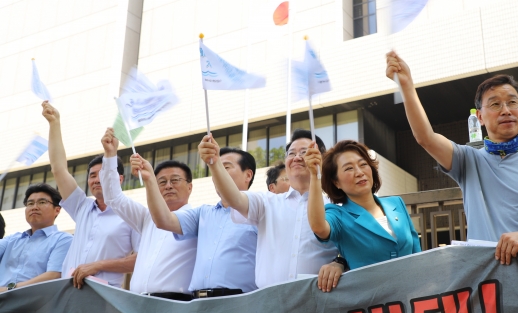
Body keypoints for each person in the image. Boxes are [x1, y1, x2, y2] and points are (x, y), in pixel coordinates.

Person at [385, 52, 518, 279]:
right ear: (479, 116)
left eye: (512, 102)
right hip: (489, 289)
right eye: (495, 104)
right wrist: (407, 85)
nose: (506, 109)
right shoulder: (468, 160)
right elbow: (425, 138)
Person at [198, 129, 344, 292]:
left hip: (318, 298)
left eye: (304, 152)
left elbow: (350, 251)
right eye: (291, 153)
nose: (296, 157)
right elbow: (234, 198)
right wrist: (214, 164)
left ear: (321, 159)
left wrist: (339, 263)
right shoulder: (266, 202)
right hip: (269, 301)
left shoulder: (337, 207)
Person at [131, 147, 257, 299]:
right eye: (214, 167)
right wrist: (150, 180)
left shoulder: (260, 212)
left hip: (240, 302)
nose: (217, 172)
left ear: (248, 175)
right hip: (199, 304)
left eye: (224, 167)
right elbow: (163, 220)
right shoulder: (203, 213)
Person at [42, 102, 139, 289]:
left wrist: (98, 266)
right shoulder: (82, 206)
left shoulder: (131, 214)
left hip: (105, 297)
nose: (96, 180)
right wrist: (54, 124)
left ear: (118, 178)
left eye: (102, 174)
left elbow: (142, 258)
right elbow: (58, 169)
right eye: (92, 175)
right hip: (68, 292)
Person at [99, 128, 197, 301]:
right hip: (139, 304)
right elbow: (113, 197)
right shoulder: (147, 218)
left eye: (175, 180)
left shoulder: (198, 218)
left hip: (177, 303)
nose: (168, 186)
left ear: (190, 187)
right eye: (162, 181)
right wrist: (110, 155)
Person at [306, 140, 421, 270]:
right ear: (336, 182)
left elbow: (416, 251)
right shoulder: (339, 215)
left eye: (363, 164)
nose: (359, 172)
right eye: (349, 168)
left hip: (411, 288)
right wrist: (314, 176)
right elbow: (319, 227)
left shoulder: (396, 203)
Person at [0, 184, 72, 292]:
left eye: (42, 202)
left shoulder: (63, 239)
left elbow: (53, 276)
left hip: (36, 303)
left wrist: (9, 289)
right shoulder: (11, 239)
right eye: (30, 203)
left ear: (57, 210)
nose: (34, 207)